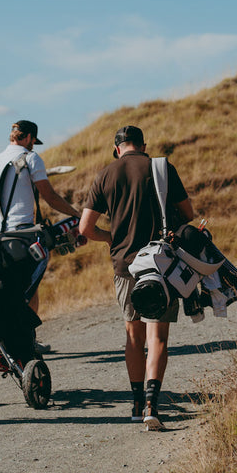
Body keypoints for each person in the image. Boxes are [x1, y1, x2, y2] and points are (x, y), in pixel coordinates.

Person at [79, 126, 194, 430]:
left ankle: (134, 402)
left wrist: (110, 238)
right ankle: (152, 406)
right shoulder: (161, 167)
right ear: (144, 146)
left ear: (116, 148)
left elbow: (85, 228)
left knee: (133, 336)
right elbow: (189, 212)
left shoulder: (105, 174)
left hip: (124, 266)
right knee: (158, 337)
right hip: (160, 265)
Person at [0, 120, 81, 354]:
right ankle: (25, 340)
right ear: (30, 137)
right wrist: (75, 213)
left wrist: (3, 210)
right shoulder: (31, 159)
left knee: (3, 287)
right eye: (34, 141)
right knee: (27, 288)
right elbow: (49, 195)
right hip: (22, 237)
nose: (34, 146)